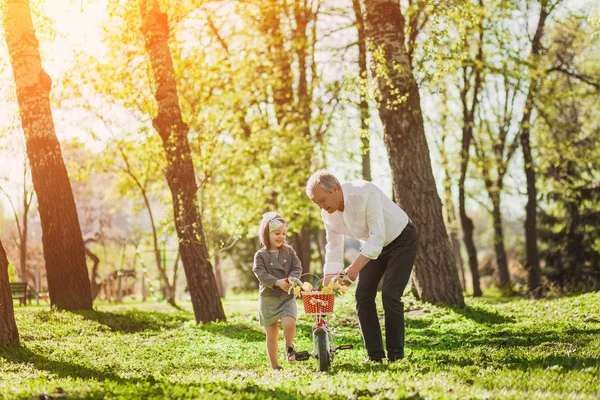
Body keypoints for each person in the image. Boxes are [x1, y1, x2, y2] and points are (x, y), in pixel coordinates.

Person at [306, 170, 419, 363]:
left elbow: (378, 235)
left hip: (401, 239)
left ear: (335, 189)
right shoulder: (328, 215)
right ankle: (374, 356)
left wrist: (354, 269)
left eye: (322, 200)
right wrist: (327, 286)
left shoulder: (365, 193)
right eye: (317, 203)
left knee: (390, 294)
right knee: (362, 296)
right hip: (370, 245)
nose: (321, 207)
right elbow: (333, 250)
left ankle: (396, 356)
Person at [252, 212, 303, 370]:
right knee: (272, 334)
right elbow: (260, 273)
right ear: (266, 234)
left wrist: (292, 279)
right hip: (268, 298)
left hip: (286, 296)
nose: (281, 237)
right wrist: (276, 282)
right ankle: (275, 365)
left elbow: (297, 266)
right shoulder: (260, 255)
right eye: (277, 233)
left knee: (290, 322)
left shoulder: (289, 251)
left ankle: (289, 346)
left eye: (283, 233)